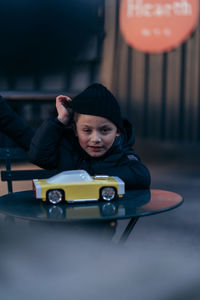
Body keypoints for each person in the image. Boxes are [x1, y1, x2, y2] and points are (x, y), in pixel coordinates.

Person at [29, 83, 150, 189]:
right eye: (87, 130)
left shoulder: (122, 152)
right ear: (75, 130)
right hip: (68, 213)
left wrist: (93, 179)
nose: (96, 139)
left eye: (104, 130)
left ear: (118, 131)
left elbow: (141, 176)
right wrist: (61, 120)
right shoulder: (67, 148)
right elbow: (39, 157)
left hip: (106, 213)